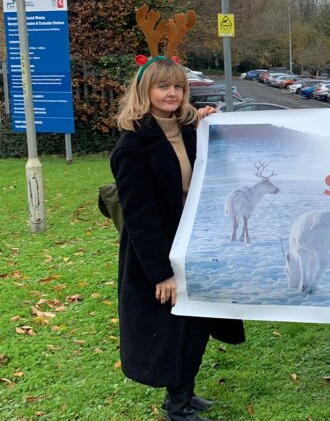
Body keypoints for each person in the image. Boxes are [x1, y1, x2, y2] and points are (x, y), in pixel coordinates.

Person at [111, 56, 245, 421]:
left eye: (178, 87)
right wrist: (161, 273)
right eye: (163, 86)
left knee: (197, 323)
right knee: (174, 331)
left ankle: (184, 392)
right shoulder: (132, 146)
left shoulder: (187, 130)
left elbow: (213, 170)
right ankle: (178, 406)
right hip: (159, 253)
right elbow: (140, 217)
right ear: (146, 91)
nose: (172, 93)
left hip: (195, 245)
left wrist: (208, 126)